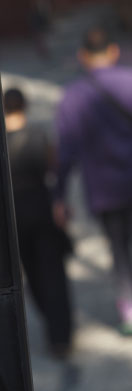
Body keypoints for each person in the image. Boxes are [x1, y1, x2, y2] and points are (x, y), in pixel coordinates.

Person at [55, 27, 132, 335]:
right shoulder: (129, 81)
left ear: (83, 56)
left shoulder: (73, 98)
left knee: (119, 250)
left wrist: (58, 196)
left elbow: (65, 154)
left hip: (105, 190)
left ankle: (128, 310)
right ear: (113, 51)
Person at [4, 88, 74, 357]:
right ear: (25, 106)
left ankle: (52, 324)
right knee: (54, 272)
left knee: (32, 274)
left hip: (15, 216)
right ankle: (61, 335)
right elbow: (54, 170)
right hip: (42, 210)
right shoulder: (39, 136)